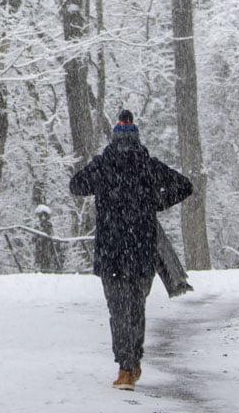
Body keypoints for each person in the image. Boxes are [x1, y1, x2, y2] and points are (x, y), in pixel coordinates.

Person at [69, 109, 195, 391]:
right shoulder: (147, 164)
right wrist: (156, 202)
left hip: (111, 251)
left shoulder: (104, 165)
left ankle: (125, 366)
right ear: (136, 139)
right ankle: (131, 363)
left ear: (114, 139)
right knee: (135, 309)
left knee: (118, 311)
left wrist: (101, 171)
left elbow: (76, 185)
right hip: (140, 250)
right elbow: (184, 186)